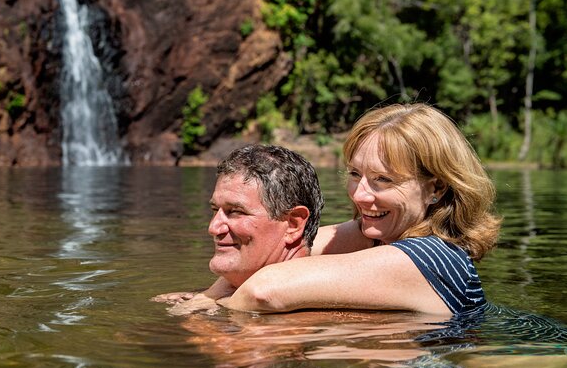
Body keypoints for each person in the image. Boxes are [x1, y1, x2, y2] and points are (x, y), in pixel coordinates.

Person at [215, 102, 501, 315]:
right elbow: (274, 252)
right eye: (354, 174)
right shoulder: (381, 234)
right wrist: (209, 293)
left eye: (383, 180)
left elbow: (265, 289)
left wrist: (206, 314)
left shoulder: (435, 258)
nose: (360, 195)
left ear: (436, 188)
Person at [153, 143, 324, 314]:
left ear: (293, 224)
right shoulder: (215, 297)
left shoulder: (305, 319)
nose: (213, 228)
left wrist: (201, 324)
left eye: (235, 211)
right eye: (215, 210)